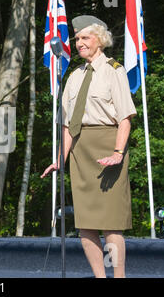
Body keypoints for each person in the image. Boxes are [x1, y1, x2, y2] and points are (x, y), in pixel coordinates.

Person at [41, 15, 137, 278]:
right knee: (86, 225)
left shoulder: (114, 70)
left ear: (100, 40)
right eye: (78, 39)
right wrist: (60, 159)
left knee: (110, 224)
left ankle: (118, 276)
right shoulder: (73, 77)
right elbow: (68, 126)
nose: (79, 43)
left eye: (85, 38)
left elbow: (125, 118)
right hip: (80, 153)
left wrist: (118, 153)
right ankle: (100, 276)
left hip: (108, 147)